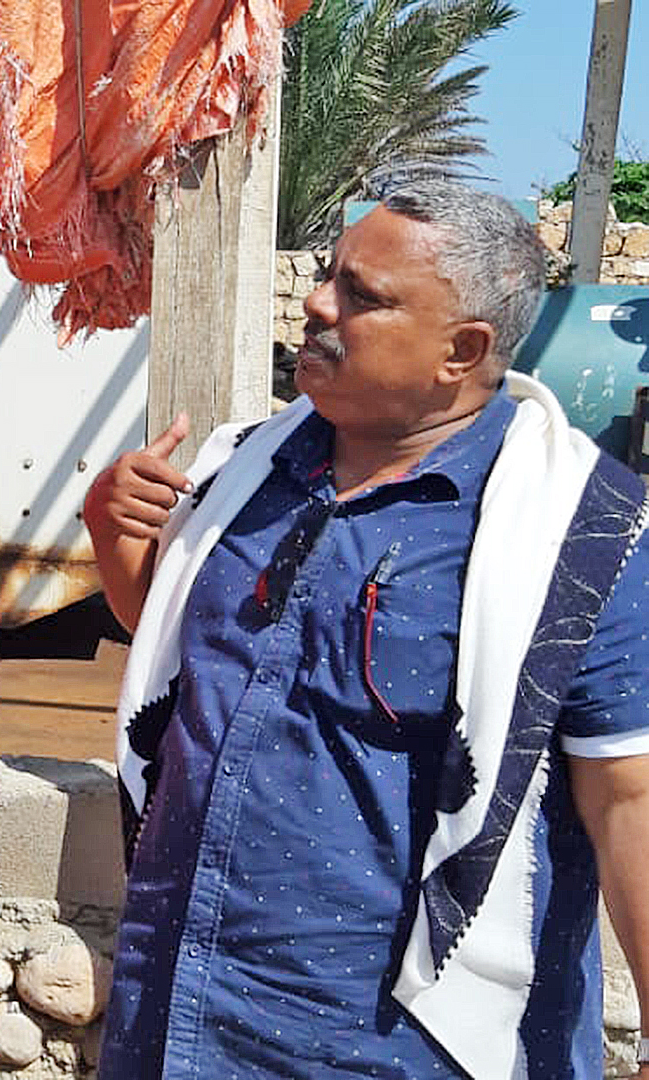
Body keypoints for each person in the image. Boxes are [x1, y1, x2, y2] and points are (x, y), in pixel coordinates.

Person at [84, 178, 649, 1079]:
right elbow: (187, 655)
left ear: (462, 351)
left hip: (398, 1045)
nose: (317, 304)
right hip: (181, 1013)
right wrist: (113, 530)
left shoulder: (584, 534)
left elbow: (628, 798)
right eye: (328, 274)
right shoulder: (244, 469)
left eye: (362, 295)